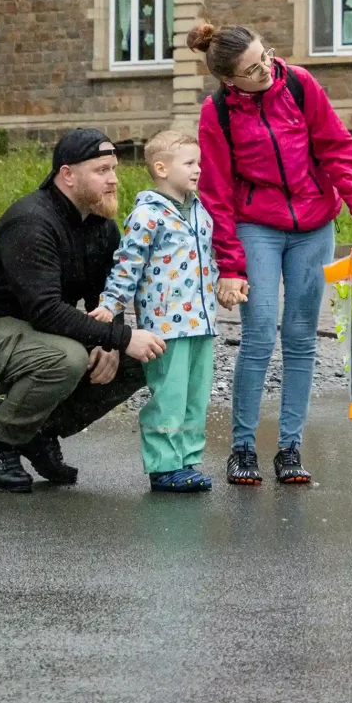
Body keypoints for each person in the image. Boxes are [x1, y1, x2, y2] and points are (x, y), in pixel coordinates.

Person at [191, 19, 352, 488]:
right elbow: (217, 193)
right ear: (228, 80)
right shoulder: (217, 112)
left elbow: (337, 149)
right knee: (260, 334)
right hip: (256, 226)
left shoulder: (299, 84)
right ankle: (243, 446)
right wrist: (231, 265)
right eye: (252, 69)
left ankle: (290, 447)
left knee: (302, 336)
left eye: (265, 57)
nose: (265, 70)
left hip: (313, 225)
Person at [0, 126, 167, 493]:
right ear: (67, 175)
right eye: (101, 171)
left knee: (143, 357)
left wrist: (111, 343)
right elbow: (46, 310)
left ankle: (37, 431)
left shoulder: (99, 226)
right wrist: (121, 337)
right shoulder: (33, 222)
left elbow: (106, 300)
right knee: (67, 358)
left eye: (114, 169)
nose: (113, 180)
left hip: (34, 336)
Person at [93, 127, 221, 495]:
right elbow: (127, 265)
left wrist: (224, 288)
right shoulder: (147, 215)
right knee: (169, 395)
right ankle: (164, 465)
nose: (198, 169)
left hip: (203, 321)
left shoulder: (200, 211)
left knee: (197, 396)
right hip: (166, 324)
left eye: (200, 162)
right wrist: (110, 304)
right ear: (162, 168)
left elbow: (206, 261)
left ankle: (188, 460)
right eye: (190, 163)